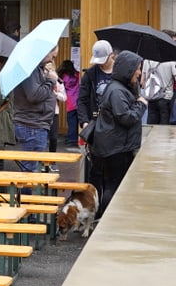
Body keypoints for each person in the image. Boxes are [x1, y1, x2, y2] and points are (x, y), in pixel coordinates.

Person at [89, 50, 146, 219]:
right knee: (113, 186)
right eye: (137, 68)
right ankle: (105, 220)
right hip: (115, 147)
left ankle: (106, 218)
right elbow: (126, 118)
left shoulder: (121, 88)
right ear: (128, 70)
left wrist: (135, 90)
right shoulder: (116, 91)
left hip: (116, 145)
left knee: (112, 184)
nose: (139, 72)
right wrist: (141, 105)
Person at [12, 46, 58, 174]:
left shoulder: (36, 68)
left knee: (31, 167)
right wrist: (50, 81)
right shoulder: (30, 69)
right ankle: (28, 194)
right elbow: (34, 95)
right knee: (30, 170)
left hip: (35, 123)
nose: (52, 60)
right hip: (32, 124)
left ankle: (28, 193)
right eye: (52, 56)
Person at [77, 40, 115, 182]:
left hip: (114, 128)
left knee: (112, 171)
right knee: (95, 170)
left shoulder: (120, 73)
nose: (100, 63)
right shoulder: (91, 74)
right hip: (95, 126)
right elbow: (82, 100)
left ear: (111, 56)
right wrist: (85, 122)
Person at [57, 59, 80, 147]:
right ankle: (77, 138)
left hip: (70, 103)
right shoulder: (77, 75)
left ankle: (72, 139)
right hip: (78, 100)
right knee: (78, 121)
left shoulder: (63, 77)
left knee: (71, 122)